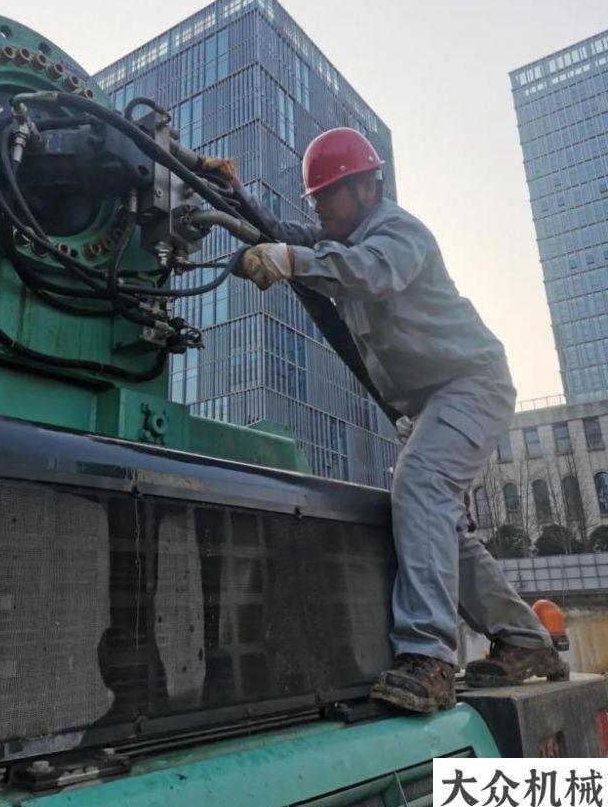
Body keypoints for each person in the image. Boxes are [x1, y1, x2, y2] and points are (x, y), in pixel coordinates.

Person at [202, 127, 568, 714]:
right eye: (314, 198)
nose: (317, 207)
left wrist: (289, 260)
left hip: (472, 384)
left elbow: (367, 272)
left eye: (326, 196)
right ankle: (526, 640)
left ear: (366, 188)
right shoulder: (340, 237)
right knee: (440, 521)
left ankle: (427, 660)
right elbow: (292, 237)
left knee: (420, 486)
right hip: (430, 402)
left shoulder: (397, 233)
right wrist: (240, 199)